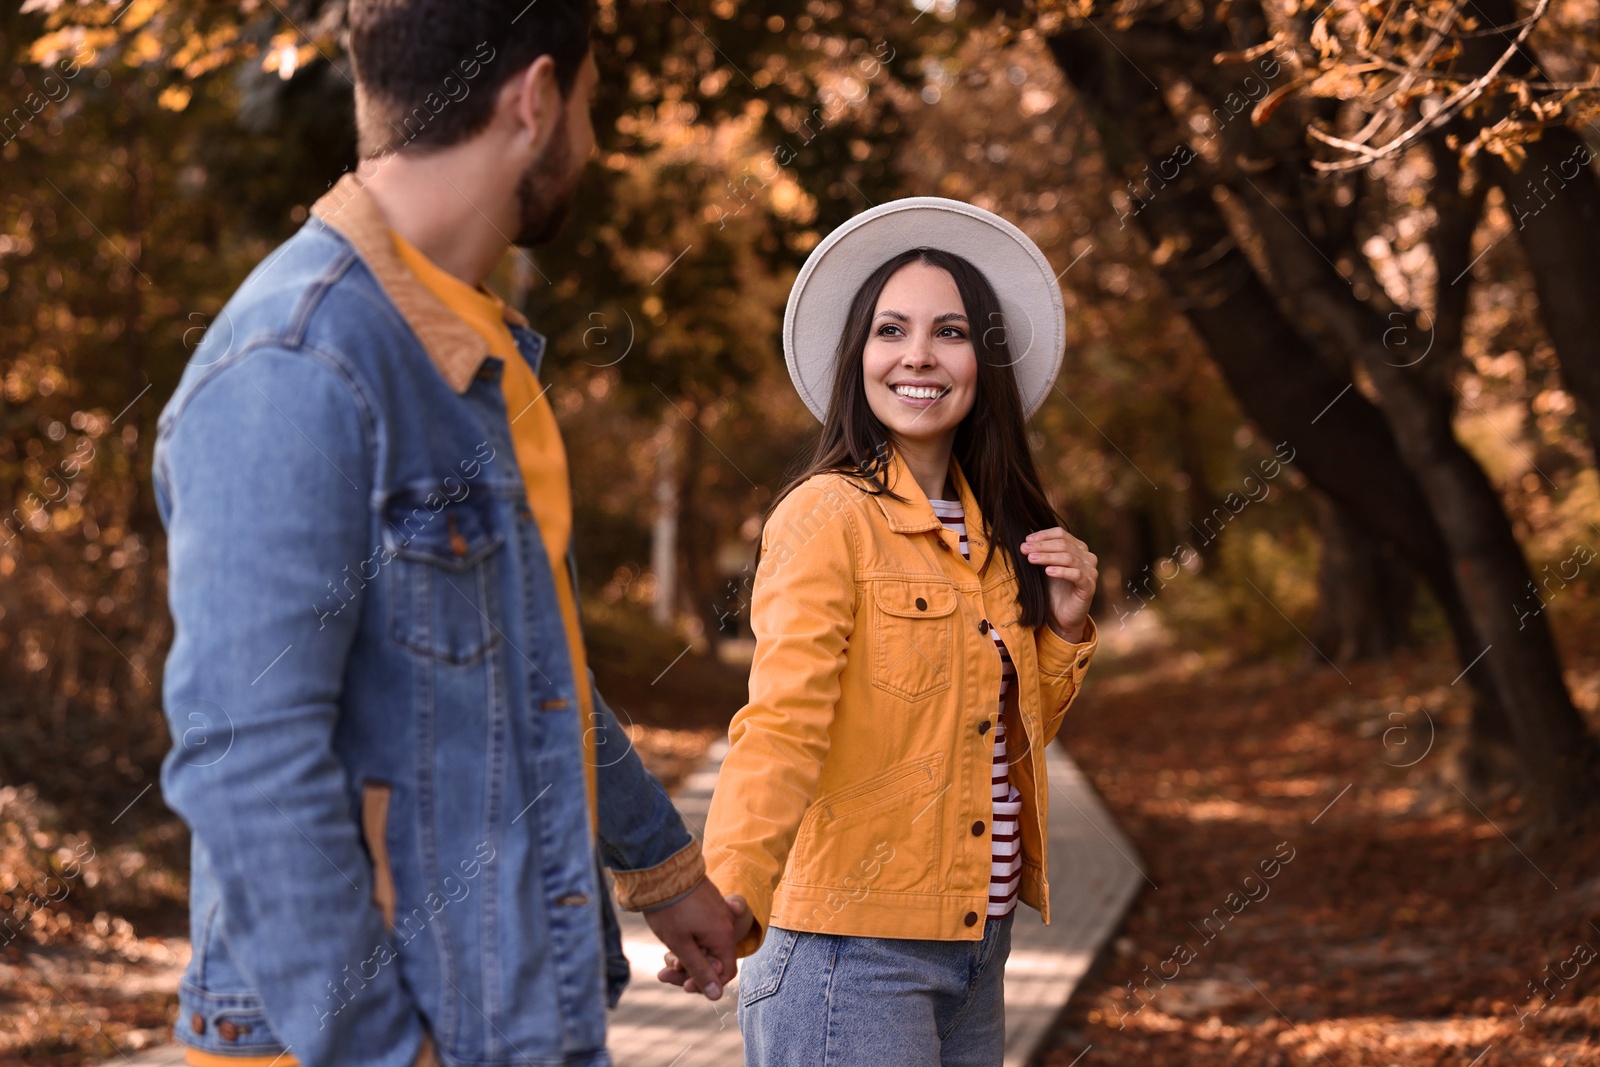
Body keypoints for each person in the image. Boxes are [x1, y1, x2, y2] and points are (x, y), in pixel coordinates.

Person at [153, 3, 738, 1066]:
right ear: (538, 99)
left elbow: (535, 664)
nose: (595, 145)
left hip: (511, 1002)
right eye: (593, 107)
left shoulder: (475, 354)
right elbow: (245, 758)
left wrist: (663, 868)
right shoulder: (297, 361)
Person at [659, 199, 1101, 1065]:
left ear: (985, 361)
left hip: (978, 947)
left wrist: (1064, 632)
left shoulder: (998, 535)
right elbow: (781, 722)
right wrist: (732, 888)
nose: (919, 355)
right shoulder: (828, 516)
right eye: (891, 329)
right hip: (851, 958)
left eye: (950, 332)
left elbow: (1005, 739)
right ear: (858, 355)